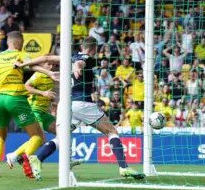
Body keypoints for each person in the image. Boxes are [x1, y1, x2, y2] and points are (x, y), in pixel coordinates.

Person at [18, 37, 145, 180]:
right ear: (94, 48)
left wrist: (24, 64)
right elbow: (80, 63)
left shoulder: (69, 57)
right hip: (82, 103)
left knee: (61, 138)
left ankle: (38, 158)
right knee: (112, 132)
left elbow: (46, 57)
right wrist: (77, 67)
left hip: (66, 104)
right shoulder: (87, 58)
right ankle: (124, 167)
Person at [0, 31, 57, 178]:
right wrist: (49, 73)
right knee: (37, 136)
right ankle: (25, 157)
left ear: (8, 42)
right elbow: (33, 67)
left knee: (0, 135)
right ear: (20, 43)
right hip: (16, 98)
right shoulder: (20, 55)